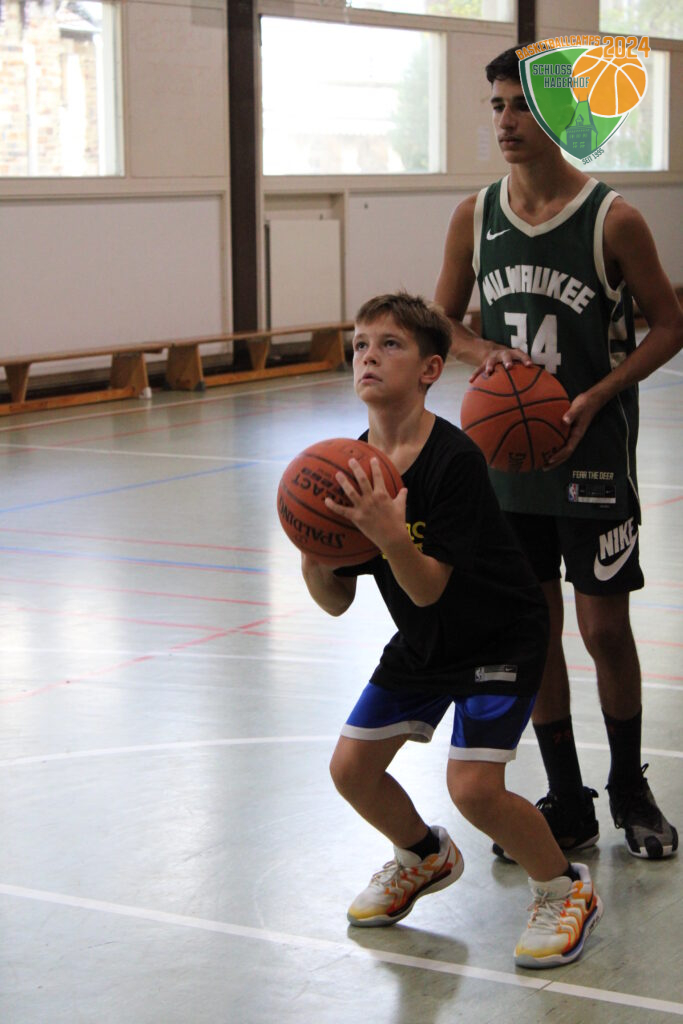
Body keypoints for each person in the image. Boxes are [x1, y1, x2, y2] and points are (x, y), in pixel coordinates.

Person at [299, 291, 602, 968]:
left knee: (473, 788)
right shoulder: (347, 466)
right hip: (426, 641)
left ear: (431, 369)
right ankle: (422, 855)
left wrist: (388, 533)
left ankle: (564, 888)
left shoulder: (454, 459)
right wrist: (314, 553)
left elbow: (427, 586)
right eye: (360, 344)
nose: (368, 356)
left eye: (390, 344)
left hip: (499, 635)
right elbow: (335, 603)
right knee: (351, 770)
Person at [434, 46, 682, 862]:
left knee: (603, 629)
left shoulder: (612, 219)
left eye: (522, 106)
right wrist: (482, 355)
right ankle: (566, 797)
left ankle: (628, 787)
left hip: (592, 452)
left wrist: (601, 392)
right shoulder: (474, 215)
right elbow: (443, 322)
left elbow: (669, 324)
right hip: (506, 465)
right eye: (497, 105)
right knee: (534, 630)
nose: (505, 121)